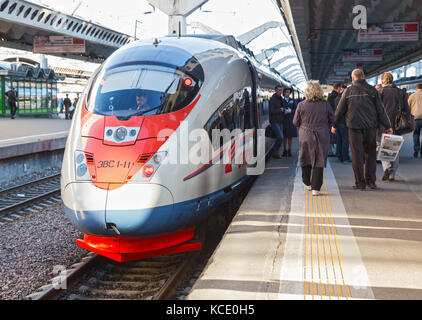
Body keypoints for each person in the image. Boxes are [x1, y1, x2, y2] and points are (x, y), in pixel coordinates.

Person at [332, 69, 392, 191]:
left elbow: (339, 111)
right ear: (363, 77)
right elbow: (381, 110)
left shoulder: (348, 91)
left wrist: (334, 125)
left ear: (353, 78)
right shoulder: (372, 90)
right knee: (370, 154)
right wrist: (388, 125)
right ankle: (371, 181)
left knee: (357, 155)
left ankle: (360, 183)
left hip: (354, 128)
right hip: (370, 127)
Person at [293, 80, 334, 196]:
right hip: (322, 134)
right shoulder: (326, 104)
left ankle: (307, 183)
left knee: (305, 157)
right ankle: (316, 188)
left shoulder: (301, 105)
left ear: (307, 91)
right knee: (319, 159)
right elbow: (333, 119)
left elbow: (295, 122)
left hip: (305, 134)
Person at [379, 72, 411, 181]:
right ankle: (392, 175)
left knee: (382, 146)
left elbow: (377, 110)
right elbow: (406, 109)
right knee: (394, 148)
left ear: (383, 81)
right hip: (397, 124)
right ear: (392, 80)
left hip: (384, 124)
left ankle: (387, 166)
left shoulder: (381, 92)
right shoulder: (400, 92)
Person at [334, 84, 351, 162]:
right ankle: (345, 157)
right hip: (344, 122)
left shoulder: (336, 98)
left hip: (338, 122)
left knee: (339, 140)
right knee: (345, 140)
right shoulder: (345, 99)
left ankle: (339, 155)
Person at [269, 85, 285, 158]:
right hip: (274, 121)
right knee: (280, 137)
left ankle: (275, 152)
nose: (280, 92)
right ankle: (274, 150)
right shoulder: (273, 99)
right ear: (275, 90)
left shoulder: (280, 98)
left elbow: (282, 107)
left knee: (280, 137)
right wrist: (280, 110)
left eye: (281, 90)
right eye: (279, 90)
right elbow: (271, 111)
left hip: (280, 120)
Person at [281, 87, 297, 157]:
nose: (287, 93)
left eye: (288, 92)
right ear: (283, 93)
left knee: (290, 136)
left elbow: (296, 110)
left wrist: (291, 111)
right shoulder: (281, 101)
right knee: (284, 136)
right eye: (286, 92)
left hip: (291, 120)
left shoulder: (293, 101)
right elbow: (279, 109)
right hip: (283, 120)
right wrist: (284, 111)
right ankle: (284, 150)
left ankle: (289, 150)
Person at [327, 83, 342, 156]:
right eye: (340, 88)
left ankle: (330, 151)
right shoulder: (337, 96)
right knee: (336, 136)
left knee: (330, 136)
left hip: (330, 118)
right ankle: (335, 152)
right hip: (336, 118)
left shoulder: (329, 96)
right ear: (338, 88)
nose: (341, 90)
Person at [408, 83, 422, 158]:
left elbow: (408, 106)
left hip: (416, 117)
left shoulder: (412, 95)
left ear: (417, 88)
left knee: (416, 133)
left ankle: (416, 148)